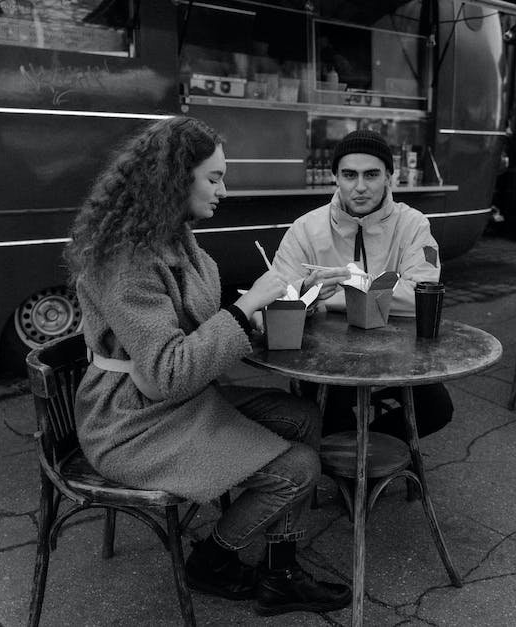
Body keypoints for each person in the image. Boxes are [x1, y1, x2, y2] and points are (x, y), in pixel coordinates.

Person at [63, 116, 351, 617]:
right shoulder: (127, 262)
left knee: (302, 418)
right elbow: (168, 372)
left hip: (170, 404)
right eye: (214, 178)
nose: (224, 189)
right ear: (176, 179)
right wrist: (245, 310)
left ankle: (280, 573)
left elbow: (195, 336)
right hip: (128, 422)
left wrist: (289, 303)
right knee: (297, 469)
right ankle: (214, 561)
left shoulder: (174, 240)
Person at [271, 129, 453, 441]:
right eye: (349, 175)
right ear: (335, 179)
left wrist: (332, 295)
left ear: (389, 178)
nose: (360, 187)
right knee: (326, 412)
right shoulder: (305, 228)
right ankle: (360, 468)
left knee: (436, 407)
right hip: (324, 354)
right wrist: (307, 291)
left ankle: (367, 456)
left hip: (397, 351)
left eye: (371, 174)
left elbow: (422, 293)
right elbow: (279, 295)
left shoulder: (414, 226)